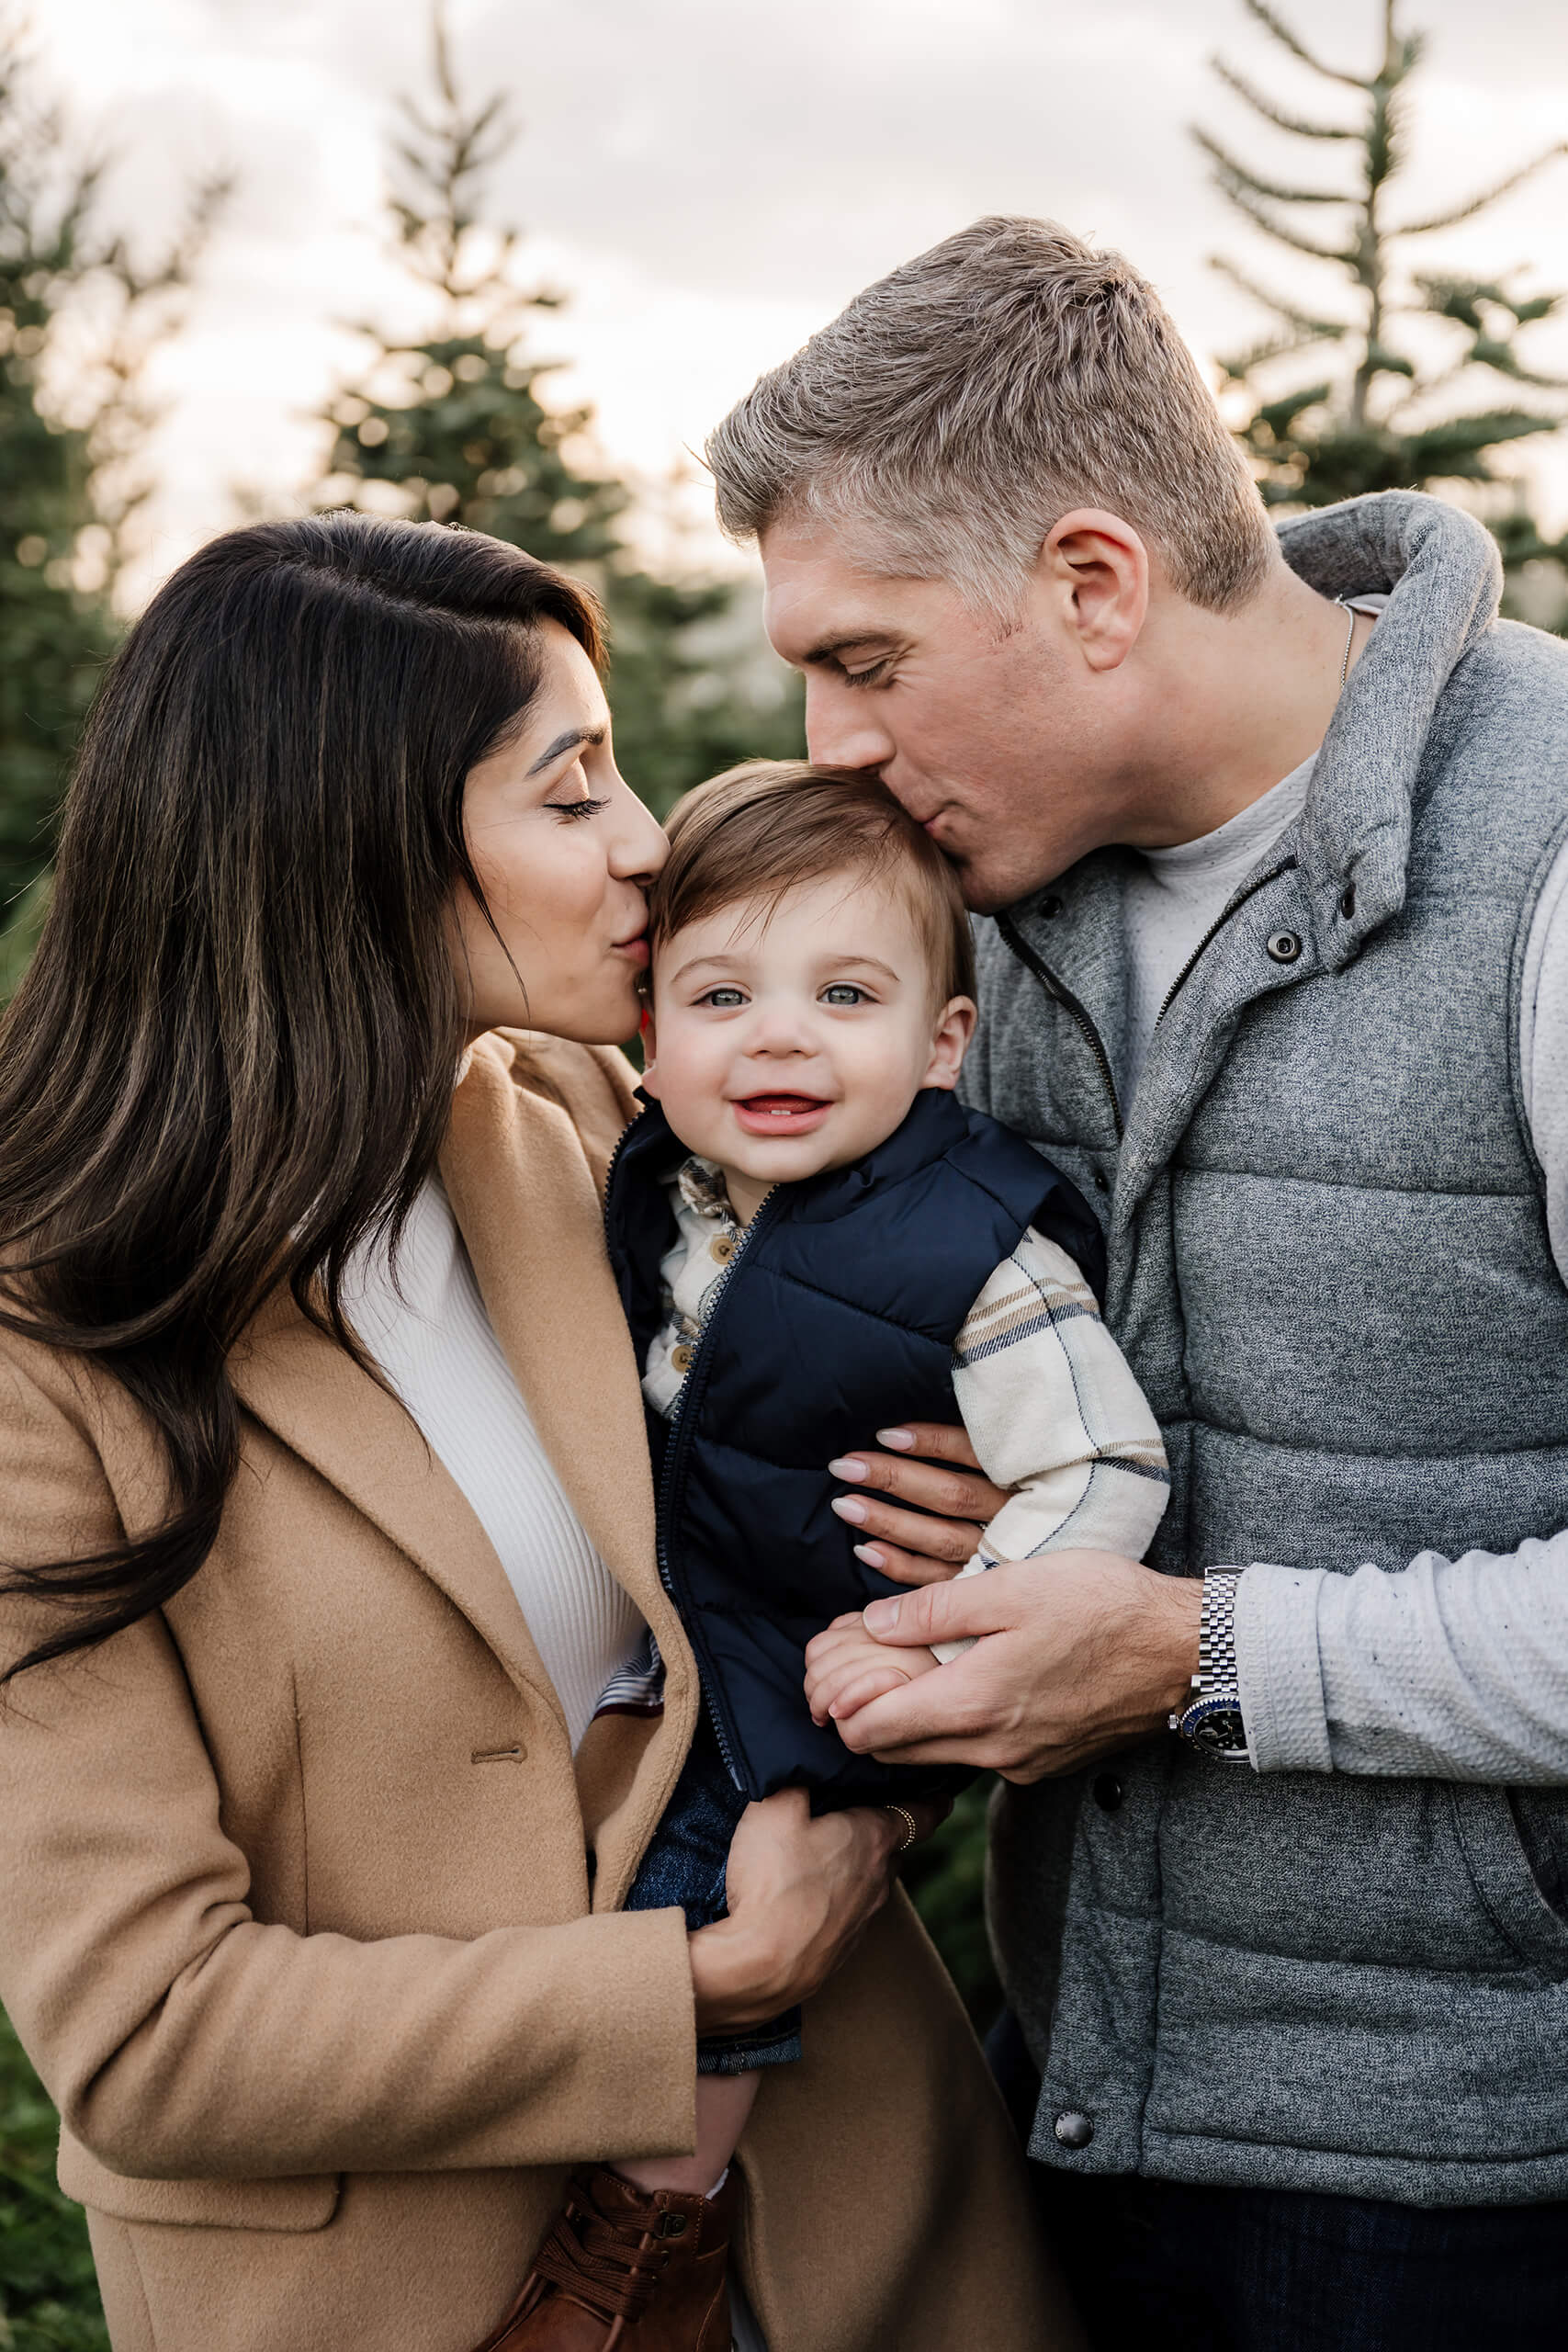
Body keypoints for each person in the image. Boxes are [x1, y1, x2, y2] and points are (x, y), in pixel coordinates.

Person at [0, 514, 1078, 2352]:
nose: (648, 841)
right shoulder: (50, 1343)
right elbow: (147, 2032)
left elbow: (794, 1544)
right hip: (415, 2296)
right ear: (343, 841)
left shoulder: (599, 1121)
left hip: (848, 2223)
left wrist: (948, 1524)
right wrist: (699, 1978)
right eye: (572, 791)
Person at [704, 216, 1568, 2350]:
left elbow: (1168, 1630)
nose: (823, 739)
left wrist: (1193, 1651)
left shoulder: (1548, 853)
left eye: (865, 658)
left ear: (1092, 584)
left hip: (1470, 2179)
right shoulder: (963, 903)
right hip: (1077, 2090)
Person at [507, 758, 1168, 2345]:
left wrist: (947, 1634)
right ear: (649, 1033)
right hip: (698, 1639)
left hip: (827, 1662)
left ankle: (643, 2249)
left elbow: (1101, 1463)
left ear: (945, 1042)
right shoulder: (660, 1187)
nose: (782, 1037)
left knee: (709, 1884)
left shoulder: (976, 1251)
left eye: (847, 995)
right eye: (722, 996)